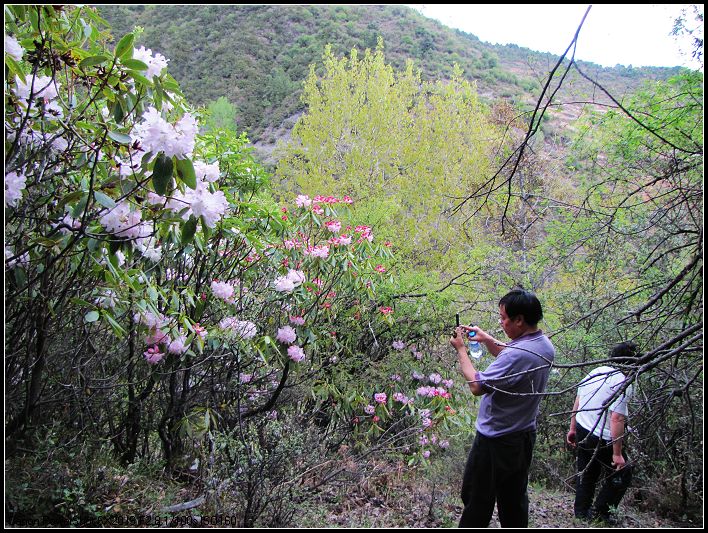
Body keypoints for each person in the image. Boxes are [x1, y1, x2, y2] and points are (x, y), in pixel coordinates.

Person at [450, 288, 555, 528]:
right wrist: (488, 340)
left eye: (504, 318)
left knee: (477, 499)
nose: (501, 322)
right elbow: (512, 357)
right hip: (523, 435)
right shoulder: (543, 345)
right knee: (514, 499)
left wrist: (461, 350)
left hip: (495, 440)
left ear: (519, 320)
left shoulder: (518, 354)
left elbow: (477, 385)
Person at [566, 342, 637, 523]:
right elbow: (617, 419)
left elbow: (579, 399)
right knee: (622, 472)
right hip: (600, 437)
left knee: (587, 472)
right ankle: (601, 513)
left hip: (583, 428)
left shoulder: (596, 371)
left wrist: (573, 428)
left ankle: (581, 513)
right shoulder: (623, 382)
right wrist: (617, 453)